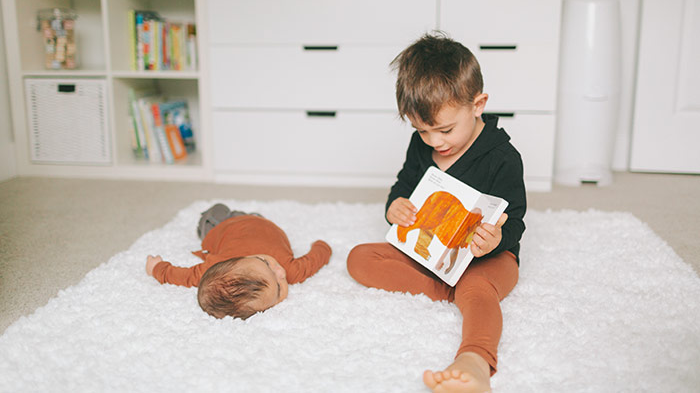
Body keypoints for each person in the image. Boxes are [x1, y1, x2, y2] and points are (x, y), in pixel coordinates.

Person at [346, 33, 526, 393]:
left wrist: (495, 239)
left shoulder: (503, 158)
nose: (435, 142)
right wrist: (394, 206)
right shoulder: (422, 144)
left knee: (478, 290)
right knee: (359, 258)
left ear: (478, 105)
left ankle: (474, 362)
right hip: (431, 251)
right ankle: (446, 289)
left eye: (444, 130)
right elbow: (404, 185)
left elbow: (516, 221)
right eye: (422, 131)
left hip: (486, 258)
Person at [146, 203, 332, 320]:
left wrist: (158, 269)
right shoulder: (292, 270)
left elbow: (183, 276)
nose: (281, 271)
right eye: (279, 286)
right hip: (246, 226)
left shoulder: (216, 264)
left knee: (218, 215)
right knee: (230, 216)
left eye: (266, 263)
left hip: (234, 225)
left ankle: (236, 215)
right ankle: (242, 216)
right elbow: (314, 260)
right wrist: (322, 246)